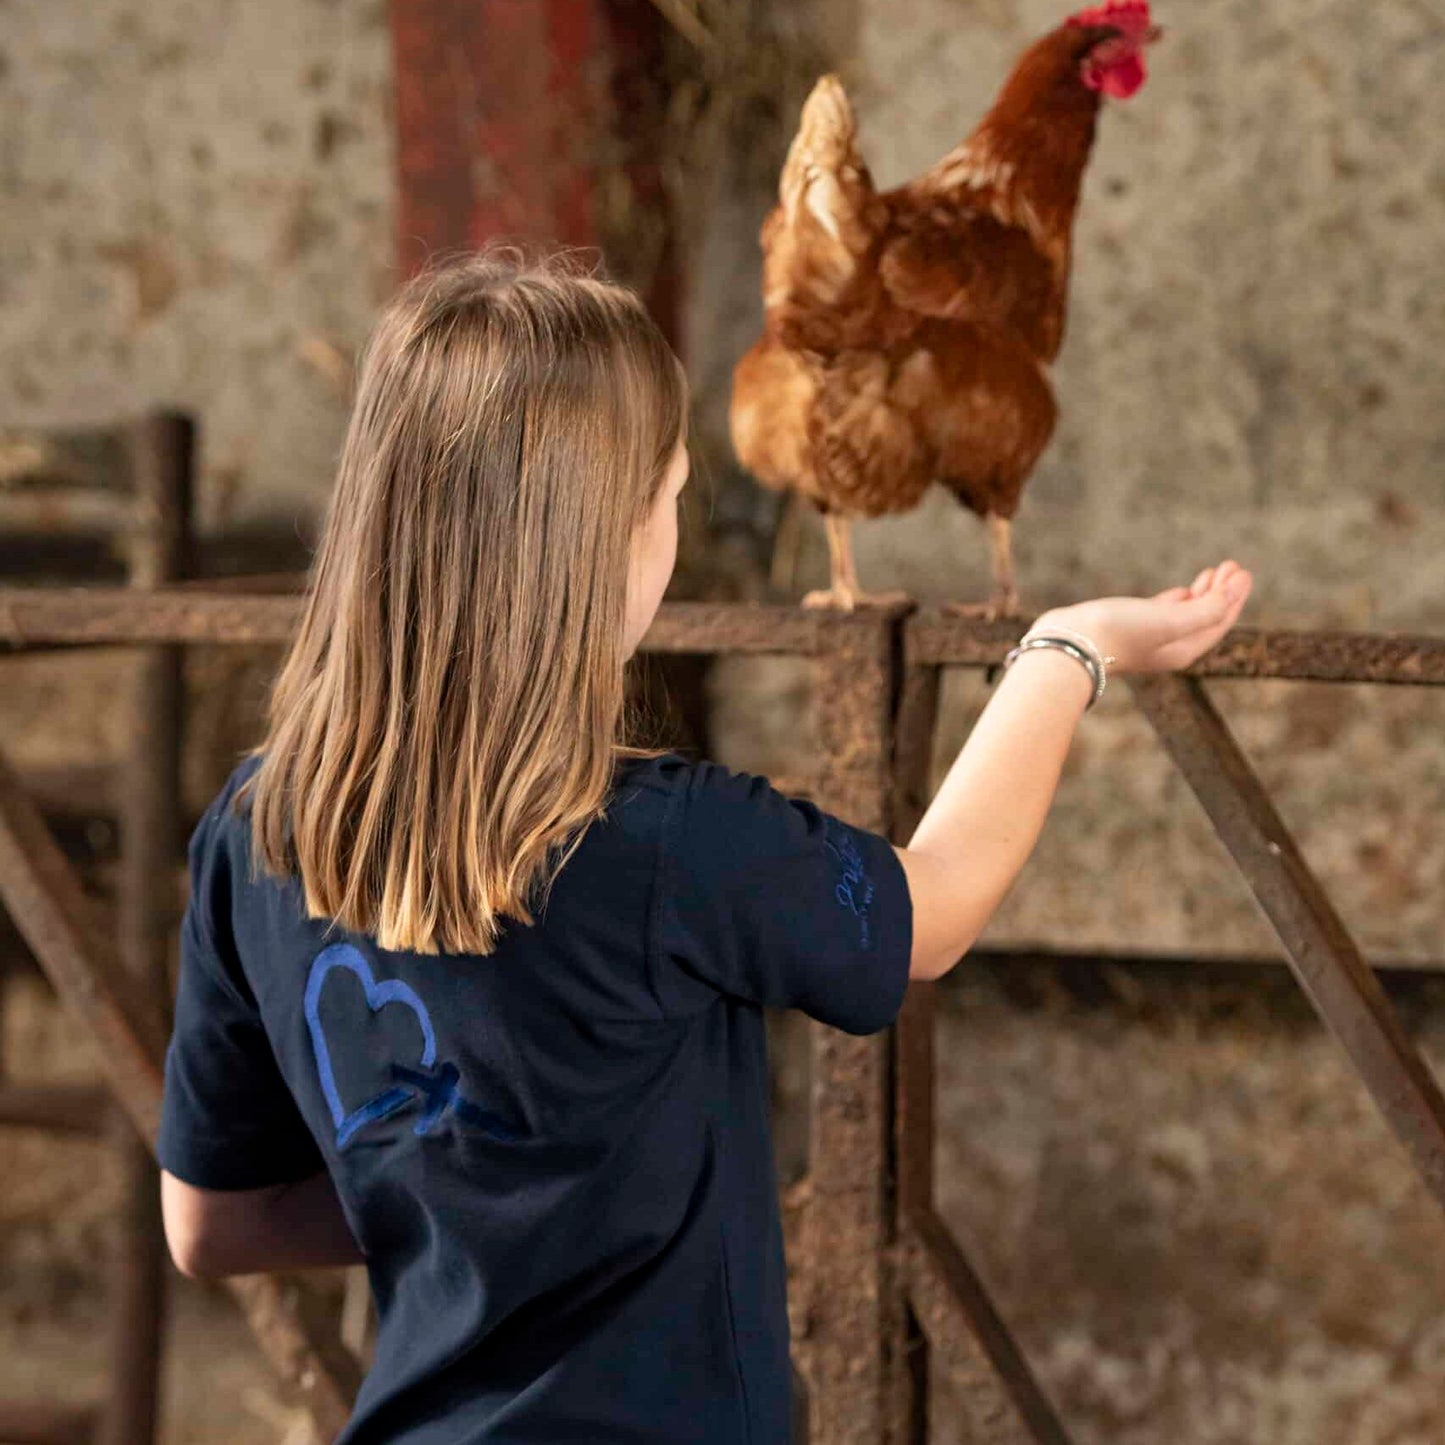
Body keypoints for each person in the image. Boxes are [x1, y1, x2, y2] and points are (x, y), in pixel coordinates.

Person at [157, 250, 1252, 1444]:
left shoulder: (261, 827)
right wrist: (1065, 649)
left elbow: (210, 1226)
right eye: (672, 492)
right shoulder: (670, 840)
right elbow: (928, 910)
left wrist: (441, 1173)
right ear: (610, 535)